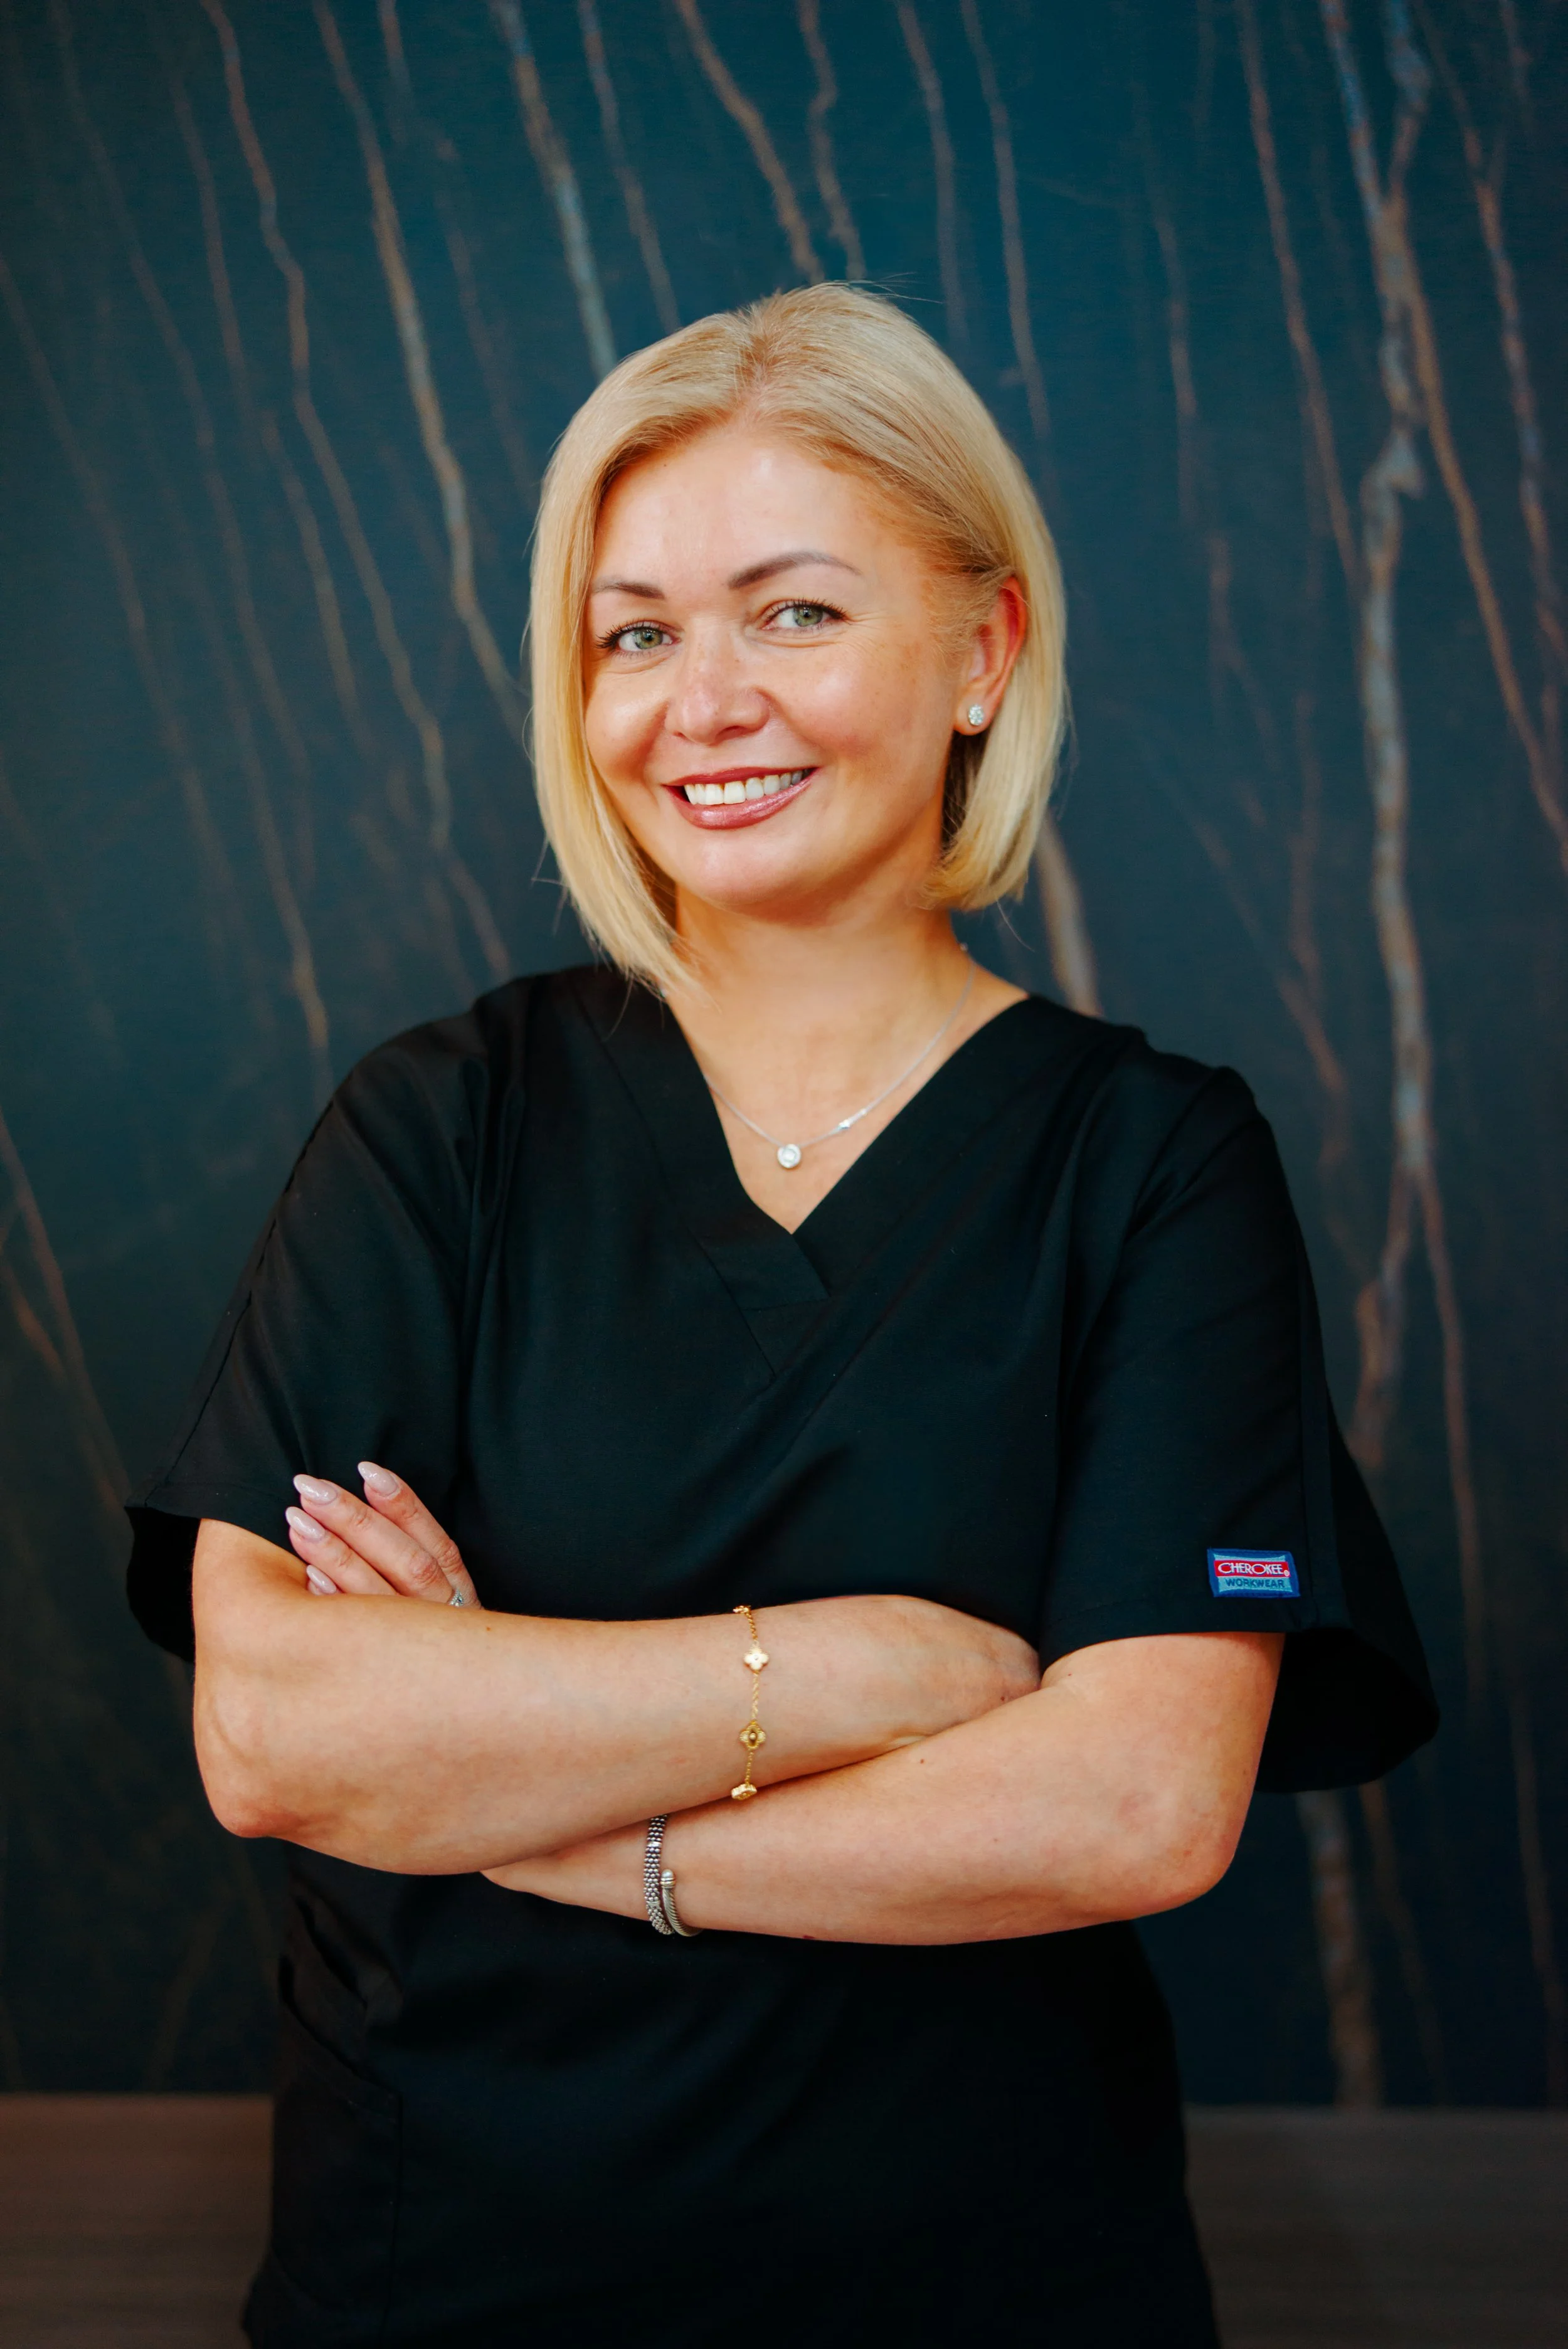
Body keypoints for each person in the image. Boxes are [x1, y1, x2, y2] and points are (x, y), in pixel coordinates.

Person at [127, 284, 1436, 2348]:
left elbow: (1127, 1805)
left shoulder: (1153, 1165)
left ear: (982, 650)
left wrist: (549, 1807)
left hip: (991, 2288)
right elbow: (282, 1731)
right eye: (635, 630)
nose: (701, 700)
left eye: (794, 613)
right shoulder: (439, 1125)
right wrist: (866, 1670)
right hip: (442, 2276)